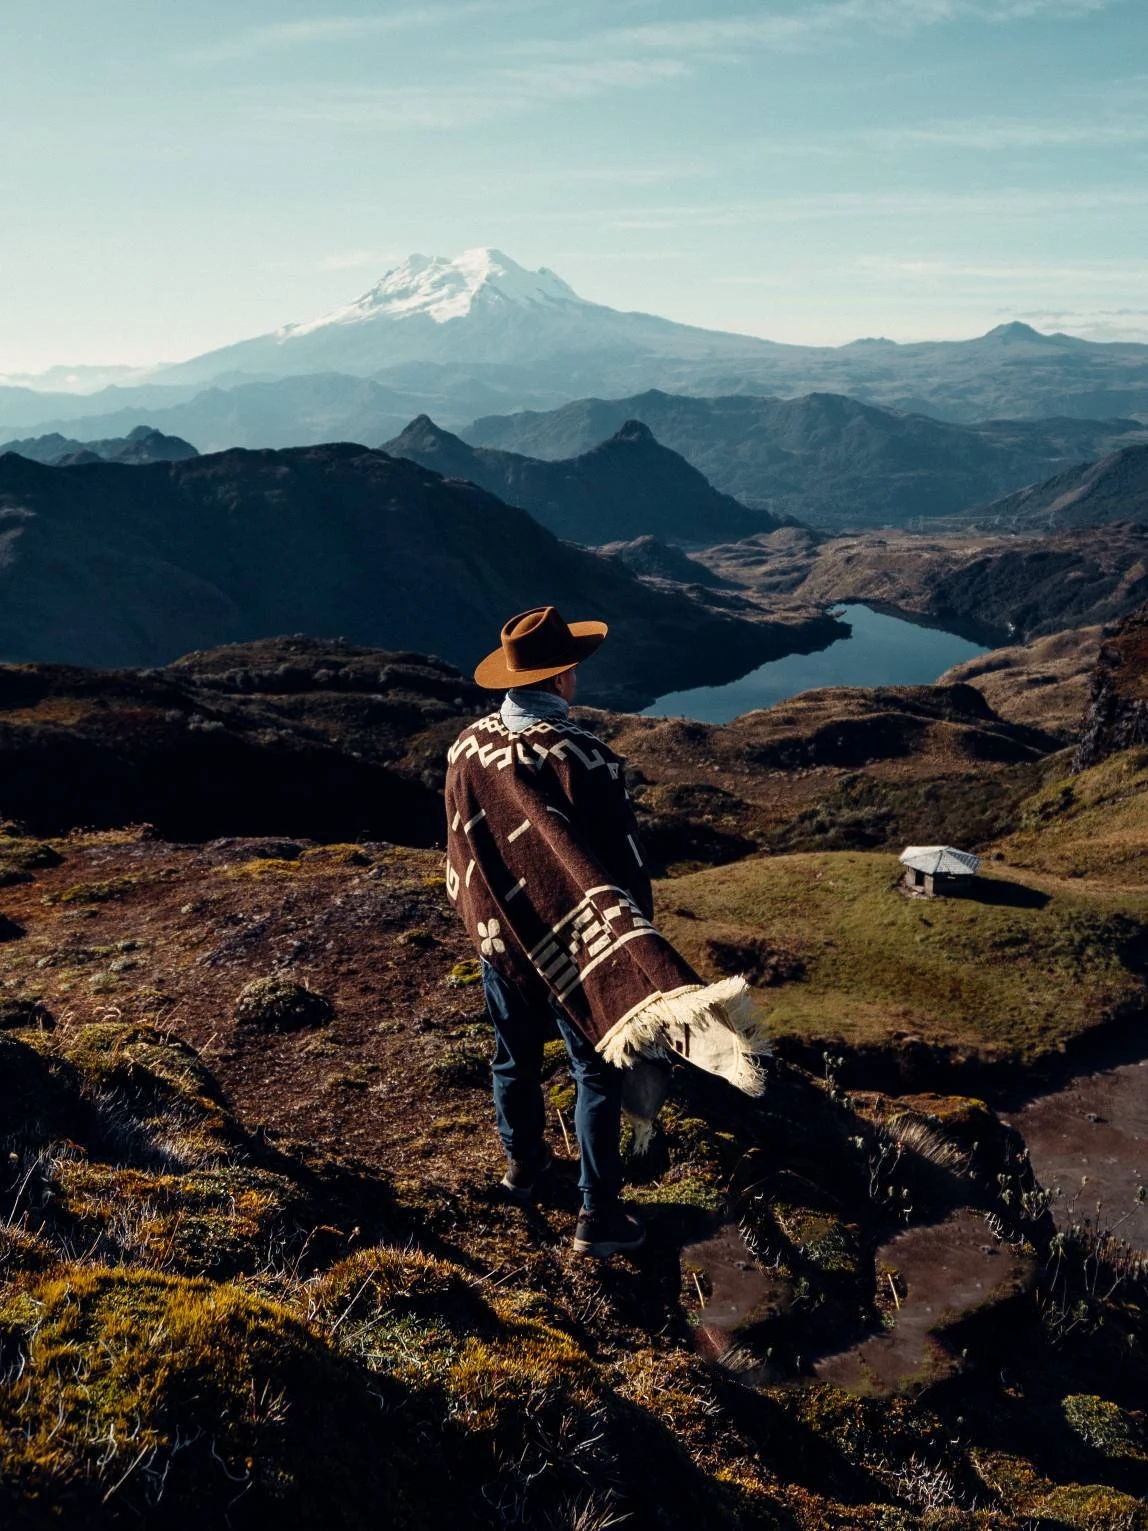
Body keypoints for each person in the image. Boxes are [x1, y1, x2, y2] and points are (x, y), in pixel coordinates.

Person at [444, 606, 769, 1258]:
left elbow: (465, 846)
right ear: (562, 675)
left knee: (513, 1055)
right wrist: (631, 943)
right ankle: (598, 1215)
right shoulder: (583, 758)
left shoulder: (467, 748)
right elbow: (619, 865)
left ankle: (524, 1166)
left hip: (502, 938)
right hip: (579, 950)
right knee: (595, 1073)